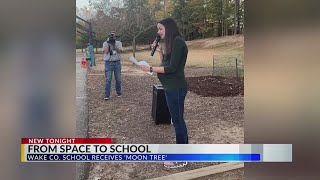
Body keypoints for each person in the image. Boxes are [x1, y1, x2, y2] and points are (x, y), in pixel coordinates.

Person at [140, 18, 189, 168]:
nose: (158, 32)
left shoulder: (178, 42)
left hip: (176, 88)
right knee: (176, 120)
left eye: (160, 29)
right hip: (170, 87)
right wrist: (160, 51)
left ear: (168, 28)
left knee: (178, 121)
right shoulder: (171, 44)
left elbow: (172, 68)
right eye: (158, 29)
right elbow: (165, 64)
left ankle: (182, 158)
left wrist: (150, 68)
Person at [103, 31, 123, 100]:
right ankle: (107, 95)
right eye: (111, 36)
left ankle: (118, 92)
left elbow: (119, 51)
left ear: (115, 36)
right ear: (108, 36)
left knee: (118, 79)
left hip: (117, 62)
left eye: (113, 36)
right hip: (108, 63)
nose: (112, 37)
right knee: (108, 79)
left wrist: (114, 45)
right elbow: (106, 52)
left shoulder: (119, 43)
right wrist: (109, 44)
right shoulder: (105, 43)